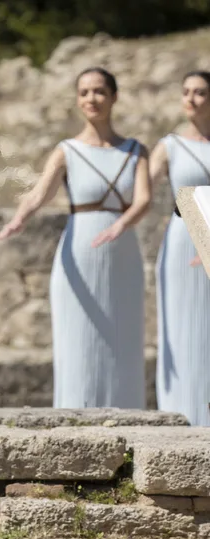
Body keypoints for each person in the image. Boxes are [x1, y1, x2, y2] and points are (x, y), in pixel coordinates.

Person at [0, 67, 151, 409]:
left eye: (98, 91)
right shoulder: (67, 151)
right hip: (79, 250)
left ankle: (127, 413)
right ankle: (76, 414)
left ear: (114, 97)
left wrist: (121, 224)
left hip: (122, 253)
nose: (91, 99)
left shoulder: (135, 151)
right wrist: (18, 219)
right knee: (78, 339)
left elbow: (144, 200)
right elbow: (40, 193)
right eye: (84, 92)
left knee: (122, 338)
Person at [150, 70, 210, 426]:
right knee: (183, 326)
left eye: (200, 92)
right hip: (181, 236)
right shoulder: (169, 145)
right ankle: (183, 415)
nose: (191, 98)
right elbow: (139, 192)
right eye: (186, 92)